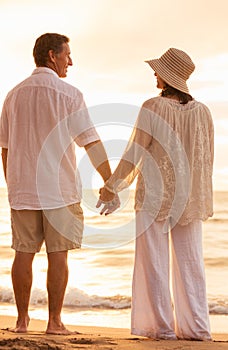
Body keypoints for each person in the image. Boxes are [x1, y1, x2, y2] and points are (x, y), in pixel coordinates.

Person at [0, 33, 117, 334]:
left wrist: (12, 182)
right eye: (67, 55)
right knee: (58, 256)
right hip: (60, 191)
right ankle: (54, 322)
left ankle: (22, 321)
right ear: (52, 55)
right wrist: (109, 181)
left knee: (22, 253)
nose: (71, 61)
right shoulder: (69, 95)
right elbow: (91, 142)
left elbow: (5, 147)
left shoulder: (13, 95)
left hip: (22, 189)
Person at [97, 48, 214, 340]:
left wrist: (112, 186)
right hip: (190, 198)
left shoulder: (152, 107)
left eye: (159, 70)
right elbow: (206, 159)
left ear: (169, 76)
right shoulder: (204, 112)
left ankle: (162, 329)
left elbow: (135, 152)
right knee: (191, 263)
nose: (155, 74)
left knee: (155, 262)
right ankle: (197, 329)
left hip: (154, 196)